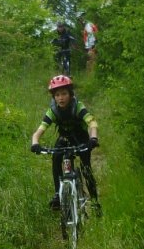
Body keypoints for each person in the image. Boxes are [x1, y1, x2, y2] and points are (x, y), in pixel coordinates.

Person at [31, 75, 102, 215]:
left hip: (81, 137)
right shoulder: (53, 111)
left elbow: (92, 122)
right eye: (57, 95)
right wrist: (35, 143)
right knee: (56, 158)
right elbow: (39, 131)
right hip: (64, 138)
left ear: (70, 94)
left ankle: (95, 201)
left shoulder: (78, 107)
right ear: (53, 97)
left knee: (86, 167)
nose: (60, 98)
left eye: (64, 93)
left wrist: (93, 138)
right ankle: (58, 194)